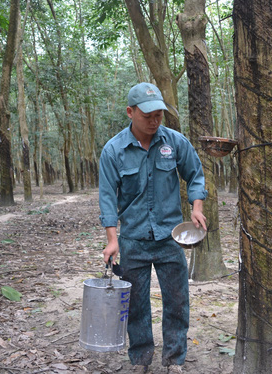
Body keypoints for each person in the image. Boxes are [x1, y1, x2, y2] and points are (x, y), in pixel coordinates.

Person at [98, 82, 207, 373]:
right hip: (133, 239)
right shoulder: (113, 151)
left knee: (177, 301)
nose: (154, 120)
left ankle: (174, 360)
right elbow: (107, 197)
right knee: (135, 305)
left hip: (170, 237)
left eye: (158, 114)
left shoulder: (175, 142)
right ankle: (141, 359)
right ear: (130, 112)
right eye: (147, 115)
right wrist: (112, 240)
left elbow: (195, 173)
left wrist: (196, 208)